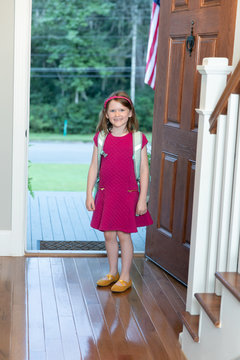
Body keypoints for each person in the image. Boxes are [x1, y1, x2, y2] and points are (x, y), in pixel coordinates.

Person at [86, 90, 153, 293]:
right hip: (106, 193)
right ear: (106, 114)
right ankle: (112, 272)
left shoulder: (138, 139)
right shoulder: (101, 138)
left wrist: (142, 200)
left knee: (124, 235)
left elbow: (143, 169)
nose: (117, 114)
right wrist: (89, 193)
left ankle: (125, 277)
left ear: (130, 113)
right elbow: (93, 167)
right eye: (113, 110)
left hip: (128, 194)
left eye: (122, 110)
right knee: (108, 235)